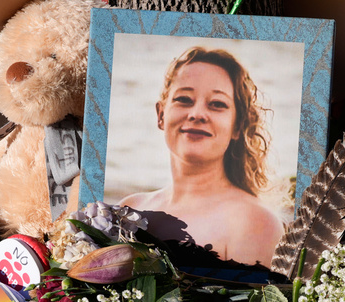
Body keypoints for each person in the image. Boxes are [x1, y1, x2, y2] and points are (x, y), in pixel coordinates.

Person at [120, 46, 284, 268]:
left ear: (237, 126)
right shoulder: (129, 209)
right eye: (184, 99)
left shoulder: (256, 223)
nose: (197, 114)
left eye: (217, 104)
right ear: (161, 115)